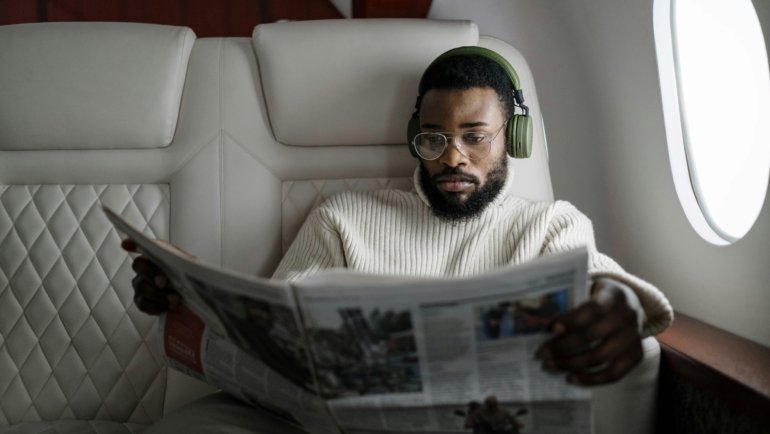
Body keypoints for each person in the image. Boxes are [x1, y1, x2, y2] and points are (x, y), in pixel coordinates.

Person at [125, 46, 673, 429]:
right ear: (416, 139)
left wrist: (617, 304)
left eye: (475, 137)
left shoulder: (550, 224)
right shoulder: (343, 218)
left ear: (513, 138)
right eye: (434, 139)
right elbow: (277, 329)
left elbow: (604, 283)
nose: (453, 157)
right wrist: (187, 293)